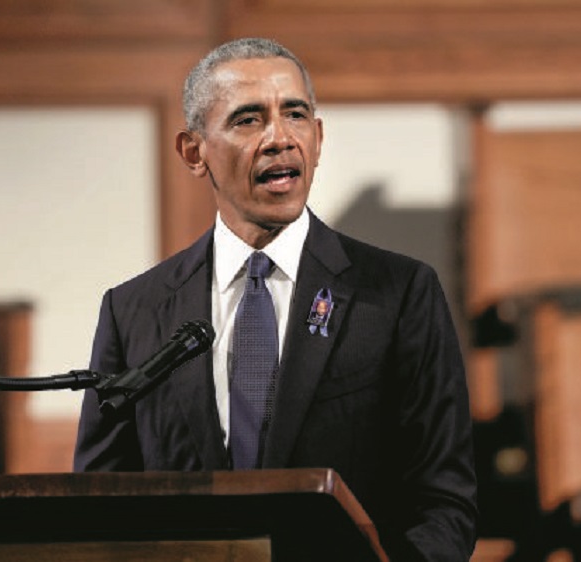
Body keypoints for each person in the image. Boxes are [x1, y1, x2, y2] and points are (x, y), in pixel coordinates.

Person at [73, 37, 478, 561]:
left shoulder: (397, 293)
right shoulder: (133, 312)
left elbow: (444, 501)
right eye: (248, 120)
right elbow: (100, 506)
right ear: (194, 152)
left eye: (295, 115)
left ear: (319, 135)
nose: (280, 138)